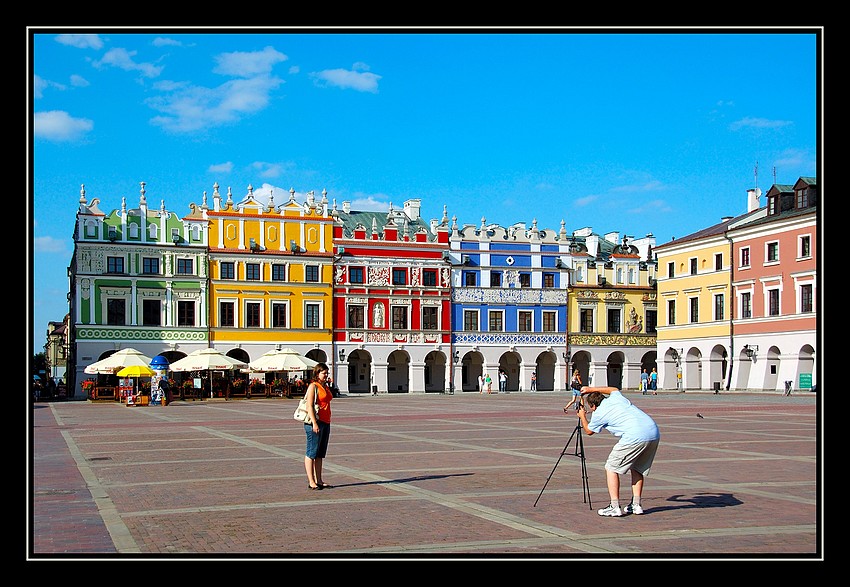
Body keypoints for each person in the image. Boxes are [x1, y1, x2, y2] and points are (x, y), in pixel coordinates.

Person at [575, 386, 660, 517]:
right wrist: (590, 389)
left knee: (611, 467)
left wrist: (582, 416)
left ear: (593, 406)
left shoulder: (598, 413)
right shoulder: (616, 398)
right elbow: (613, 389)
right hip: (652, 431)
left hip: (634, 435)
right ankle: (636, 505)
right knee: (637, 468)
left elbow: (589, 431)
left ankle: (614, 506)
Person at [304, 362, 333, 491]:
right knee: (312, 452)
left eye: (327, 373)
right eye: (324, 373)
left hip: (326, 422)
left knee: (320, 453)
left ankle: (319, 480)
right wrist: (315, 423)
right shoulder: (313, 386)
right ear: (317, 373)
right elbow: (309, 405)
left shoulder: (325, 386)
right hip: (314, 423)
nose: (326, 375)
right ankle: (311, 481)